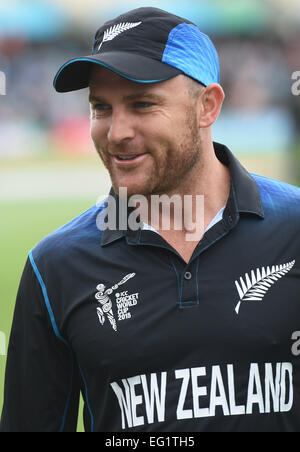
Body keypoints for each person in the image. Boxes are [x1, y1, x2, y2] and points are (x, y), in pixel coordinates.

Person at [1, 6, 300, 433]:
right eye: (101, 107)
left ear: (207, 106)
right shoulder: (54, 268)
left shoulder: (294, 230)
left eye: (142, 103)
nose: (116, 131)